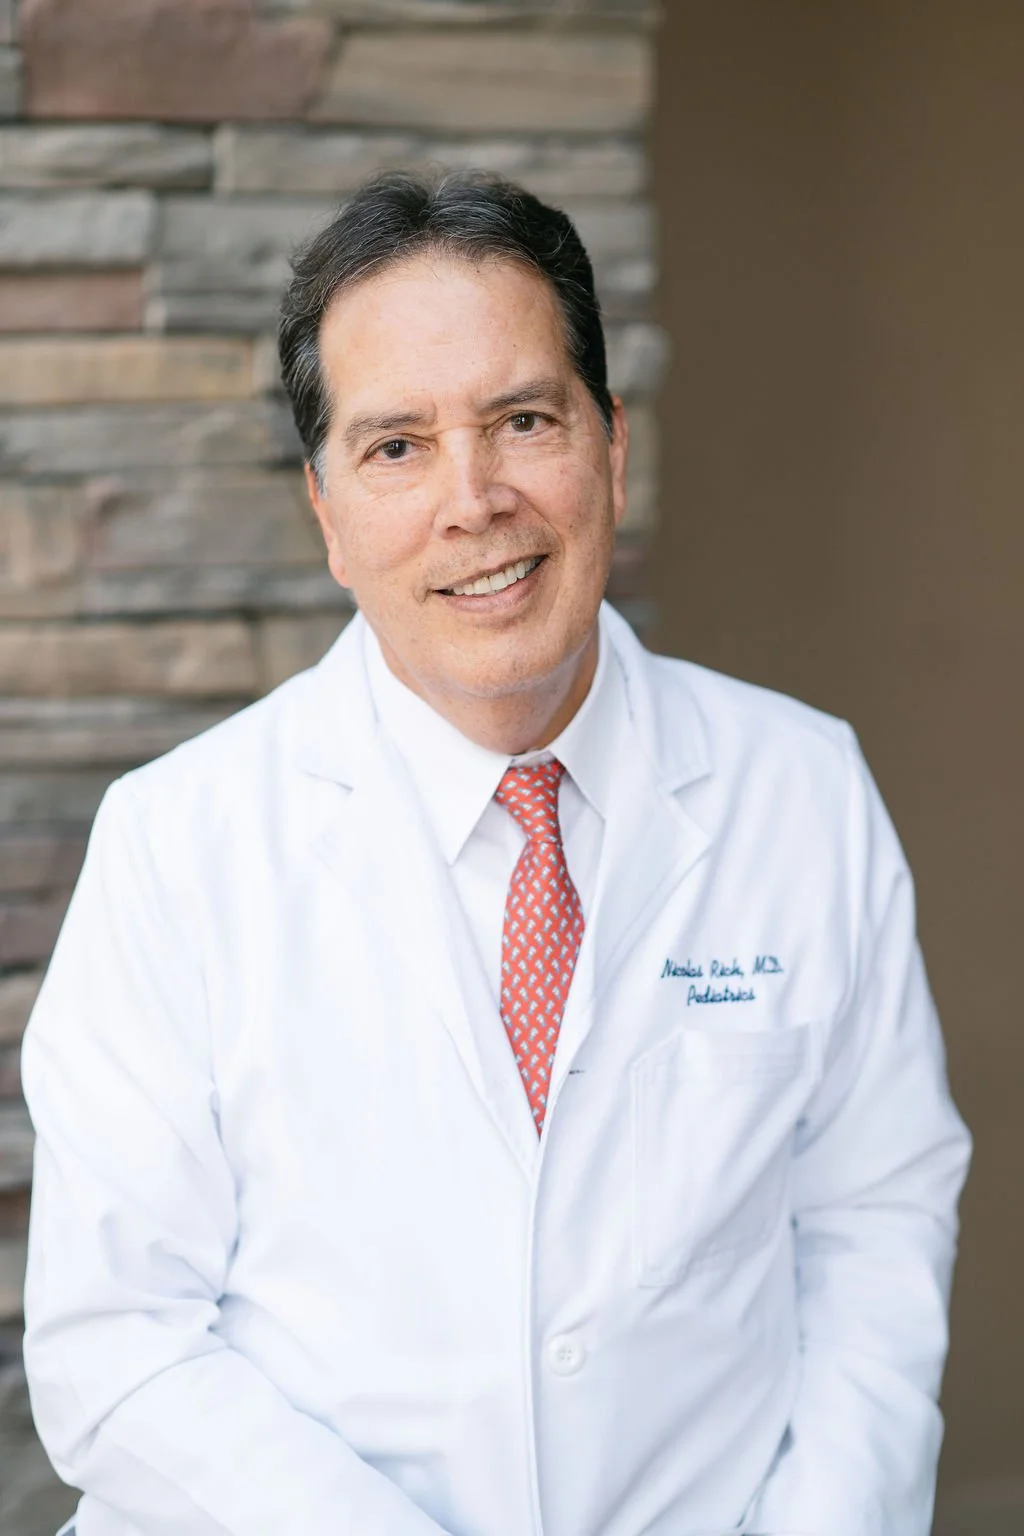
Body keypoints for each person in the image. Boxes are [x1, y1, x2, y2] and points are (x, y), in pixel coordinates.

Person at [21, 172, 970, 1536]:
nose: (474, 501)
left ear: (610, 449)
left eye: (523, 420)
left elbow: (873, 1228)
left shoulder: (800, 789)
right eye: (396, 446)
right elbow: (116, 1350)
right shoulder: (179, 845)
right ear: (328, 513)